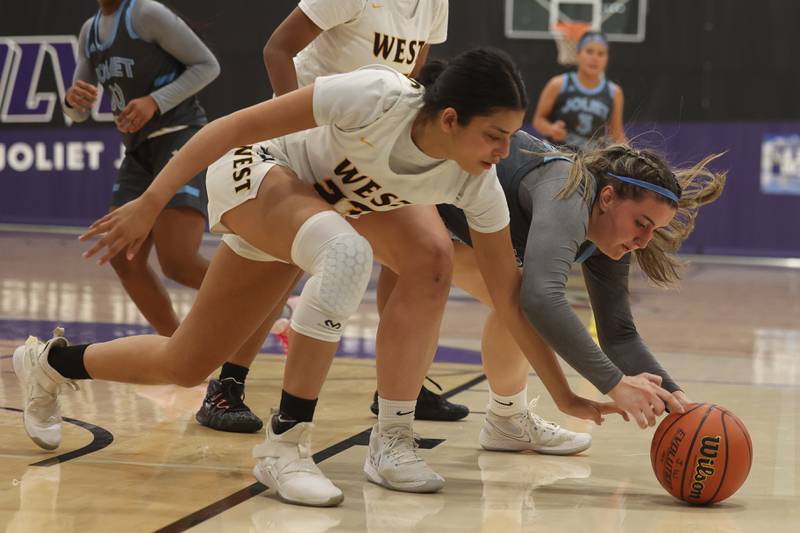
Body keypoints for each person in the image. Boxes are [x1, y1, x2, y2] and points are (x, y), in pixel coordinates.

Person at [15, 49, 622, 507]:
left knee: (186, 363)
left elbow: (510, 302)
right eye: (494, 135)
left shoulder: (475, 182)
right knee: (347, 252)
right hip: (261, 173)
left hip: (318, 211)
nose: (503, 150)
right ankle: (285, 446)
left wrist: (567, 394)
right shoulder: (374, 97)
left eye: (510, 137)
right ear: (449, 118)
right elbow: (229, 129)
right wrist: (151, 202)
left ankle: (51, 363)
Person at [194, 0, 463, 434]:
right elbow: (277, 49)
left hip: (371, 145)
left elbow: (413, 76)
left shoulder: (435, 3)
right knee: (283, 262)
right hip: (311, 139)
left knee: (427, 254)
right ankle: (227, 382)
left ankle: (399, 385)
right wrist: (298, 132)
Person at [416, 131, 724, 451]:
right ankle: (393, 421)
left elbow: (619, 336)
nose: (645, 240)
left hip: (452, 214)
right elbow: (542, 297)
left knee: (509, 297)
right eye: (641, 223)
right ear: (607, 197)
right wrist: (614, 383)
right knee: (442, 276)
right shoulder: (570, 194)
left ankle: (505, 421)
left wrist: (679, 401)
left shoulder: (607, 236)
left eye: (654, 230)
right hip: (414, 180)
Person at [62, 0, 220, 379]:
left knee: (178, 260)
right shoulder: (91, 30)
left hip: (181, 138)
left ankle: (268, 303)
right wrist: (72, 102)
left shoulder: (145, 14)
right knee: (123, 255)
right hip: (138, 151)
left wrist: (155, 100)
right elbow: (78, 109)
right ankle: (182, 355)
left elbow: (207, 65)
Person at [532, 31, 626, 151]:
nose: (595, 58)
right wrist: (551, 129)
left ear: (607, 59)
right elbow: (538, 120)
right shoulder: (558, 84)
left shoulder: (614, 92)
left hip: (591, 160)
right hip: (557, 155)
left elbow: (617, 134)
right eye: (589, 51)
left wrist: (630, 157)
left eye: (601, 54)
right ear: (578, 54)